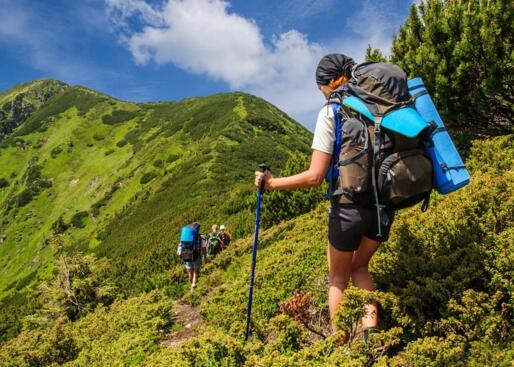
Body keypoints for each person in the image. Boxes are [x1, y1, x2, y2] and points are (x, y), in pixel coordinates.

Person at [254, 54, 395, 339]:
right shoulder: (379, 105)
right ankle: (372, 338)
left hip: (349, 208)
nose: (321, 92)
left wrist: (271, 184)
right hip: (385, 204)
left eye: (320, 86)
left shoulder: (331, 111)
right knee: (361, 267)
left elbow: (314, 176)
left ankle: (340, 345)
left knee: (338, 278)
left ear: (330, 82)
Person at [177, 224, 206, 290]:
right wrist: (204, 257)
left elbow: (180, 246)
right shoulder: (200, 237)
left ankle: (191, 284)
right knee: (196, 271)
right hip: (196, 256)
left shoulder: (186, 237)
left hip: (187, 256)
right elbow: (203, 248)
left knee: (190, 272)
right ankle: (193, 285)